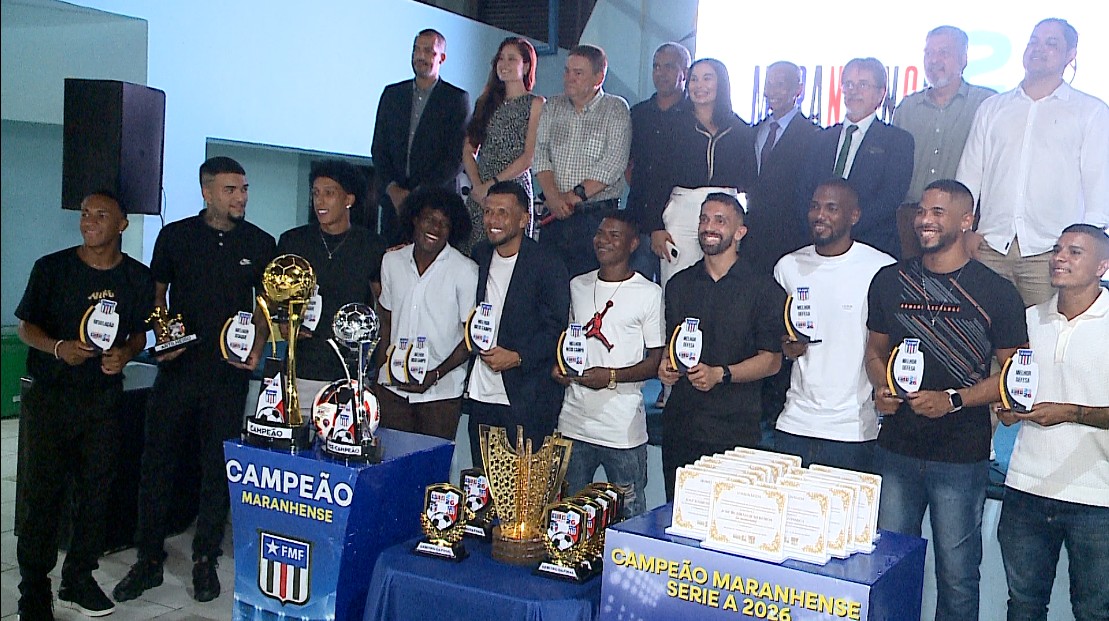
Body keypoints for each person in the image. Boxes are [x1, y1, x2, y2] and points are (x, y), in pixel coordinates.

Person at [114, 157, 276, 604]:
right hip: (178, 372)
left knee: (216, 467)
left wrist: (259, 344)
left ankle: (205, 557)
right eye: (230, 190)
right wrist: (162, 334)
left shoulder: (260, 242)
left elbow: (264, 305)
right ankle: (148, 558)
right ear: (207, 192)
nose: (240, 197)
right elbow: (157, 294)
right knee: (157, 463)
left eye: (244, 189)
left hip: (228, 376)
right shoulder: (176, 236)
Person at [864, 179, 1027, 621]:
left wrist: (953, 399)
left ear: (966, 220)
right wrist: (881, 387)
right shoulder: (889, 281)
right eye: (922, 211)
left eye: (938, 212)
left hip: (960, 457)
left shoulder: (996, 292)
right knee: (888, 570)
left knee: (956, 578)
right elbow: (875, 351)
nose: (924, 220)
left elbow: (1014, 374)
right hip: (896, 450)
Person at [15, 192, 154, 620]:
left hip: (103, 401)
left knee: (96, 494)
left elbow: (139, 333)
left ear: (122, 225)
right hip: (51, 399)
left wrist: (125, 354)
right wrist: (59, 348)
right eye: (85, 214)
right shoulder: (51, 268)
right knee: (43, 495)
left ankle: (78, 579)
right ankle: (34, 589)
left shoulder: (137, 277)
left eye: (100, 215)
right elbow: (25, 328)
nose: (89, 221)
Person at [998, 224, 1109, 621]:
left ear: (1103, 266)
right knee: (1024, 607)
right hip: (1026, 487)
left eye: (1074, 252)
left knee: (1094, 612)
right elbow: (1009, 388)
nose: (1059, 257)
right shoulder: (1028, 320)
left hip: (1097, 497)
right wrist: (1007, 409)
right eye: (1057, 249)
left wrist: (1070, 413)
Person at [957, 18, 1109, 307]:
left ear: (1071, 54)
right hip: (990, 247)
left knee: (1046, 332)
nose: (1039, 49)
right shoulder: (993, 108)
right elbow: (969, 176)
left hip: (1052, 253)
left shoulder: (1091, 111)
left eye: (1051, 43)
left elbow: (1098, 189)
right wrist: (964, 233)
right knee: (981, 330)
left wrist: (1082, 252)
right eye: (1034, 41)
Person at [657, 193, 784, 500]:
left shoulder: (763, 289)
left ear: (740, 232)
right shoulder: (679, 285)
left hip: (735, 430)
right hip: (681, 427)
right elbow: (672, 346)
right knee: (677, 515)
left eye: (720, 220)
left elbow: (772, 361)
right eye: (704, 219)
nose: (708, 227)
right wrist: (666, 367)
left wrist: (721, 374)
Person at [773, 179, 895, 471]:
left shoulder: (881, 268)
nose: (820, 215)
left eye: (832, 208)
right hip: (794, 423)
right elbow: (774, 336)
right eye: (815, 206)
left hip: (853, 430)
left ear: (854, 216)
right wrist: (786, 346)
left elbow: (889, 344)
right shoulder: (788, 266)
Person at [554, 211, 664, 518]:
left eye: (614, 236)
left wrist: (611, 376)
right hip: (574, 421)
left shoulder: (648, 293)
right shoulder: (577, 285)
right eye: (600, 234)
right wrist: (560, 367)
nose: (603, 241)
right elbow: (569, 342)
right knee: (569, 514)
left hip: (622, 427)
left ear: (633, 244)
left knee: (630, 514)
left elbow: (654, 361)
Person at [274, 160, 387, 424]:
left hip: (346, 374)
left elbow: (383, 308)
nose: (320, 201)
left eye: (329, 193)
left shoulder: (371, 246)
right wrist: (284, 323)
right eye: (315, 193)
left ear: (349, 199)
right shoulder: (293, 241)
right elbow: (276, 299)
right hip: (299, 370)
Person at [466, 180, 569, 463]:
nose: (493, 220)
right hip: (481, 393)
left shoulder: (548, 264)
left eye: (503, 212)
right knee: (481, 482)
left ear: (524, 219)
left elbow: (556, 327)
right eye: (488, 212)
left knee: (523, 486)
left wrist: (518, 356)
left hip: (526, 396)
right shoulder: (479, 254)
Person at [646, 58, 755, 292]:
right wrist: (655, 226)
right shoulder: (672, 125)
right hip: (682, 210)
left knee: (723, 281)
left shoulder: (741, 130)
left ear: (721, 83)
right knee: (677, 283)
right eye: (694, 79)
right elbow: (655, 179)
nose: (699, 85)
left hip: (726, 208)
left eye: (707, 78)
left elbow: (749, 181)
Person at [377, 187, 477, 440]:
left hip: (441, 395)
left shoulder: (465, 270)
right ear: (414, 219)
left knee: (433, 465)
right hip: (392, 389)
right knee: (391, 461)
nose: (435, 228)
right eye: (429, 219)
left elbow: (471, 338)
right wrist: (380, 373)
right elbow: (386, 320)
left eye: (444, 224)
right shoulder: (391, 262)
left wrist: (435, 374)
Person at [796, 57, 914, 259]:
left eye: (863, 84)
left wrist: (841, 230)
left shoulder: (898, 141)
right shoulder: (821, 138)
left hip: (871, 247)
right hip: (818, 245)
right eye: (848, 84)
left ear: (881, 93)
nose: (854, 91)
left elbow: (890, 198)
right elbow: (804, 191)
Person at [534, 44, 631, 278]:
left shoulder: (615, 109)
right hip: (553, 215)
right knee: (550, 285)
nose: (569, 78)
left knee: (589, 286)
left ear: (599, 78)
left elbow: (613, 164)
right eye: (567, 71)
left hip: (595, 218)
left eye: (578, 73)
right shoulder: (552, 106)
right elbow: (540, 154)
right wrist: (554, 198)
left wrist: (571, 198)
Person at [371, 28, 470, 245]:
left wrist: (418, 194)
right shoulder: (392, 95)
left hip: (435, 203)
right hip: (394, 204)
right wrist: (393, 189)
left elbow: (455, 158)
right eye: (416, 49)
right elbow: (379, 149)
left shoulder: (455, 99)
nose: (420, 56)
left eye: (428, 51)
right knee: (391, 260)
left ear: (442, 58)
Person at [894, 26, 996, 207]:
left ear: (963, 59)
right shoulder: (907, 107)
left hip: (964, 216)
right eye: (928, 53)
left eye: (943, 52)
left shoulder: (987, 103)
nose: (933, 60)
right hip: (910, 213)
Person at [461, 37, 544, 253]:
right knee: (474, 253)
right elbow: (468, 150)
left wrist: (493, 185)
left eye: (511, 59)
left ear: (526, 66)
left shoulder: (535, 103)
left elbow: (528, 157)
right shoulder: (485, 102)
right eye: (501, 58)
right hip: (481, 191)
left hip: (513, 187)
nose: (504, 64)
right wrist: (479, 187)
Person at [742, 60, 820, 277]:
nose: (772, 91)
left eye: (780, 84)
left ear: (798, 90)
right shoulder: (754, 131)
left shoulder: (813, 135)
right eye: (769, 84)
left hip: (791, 238)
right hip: (751, 239)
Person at [626, 42, 692, 280]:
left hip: (680, 225)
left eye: (669, 67)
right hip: (638, 222)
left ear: (685, 72)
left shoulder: (695, 116)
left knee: (676, 292)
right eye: (656, 66)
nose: (660, 73)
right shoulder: (638, 114)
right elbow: (628, 166)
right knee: (636, 291)